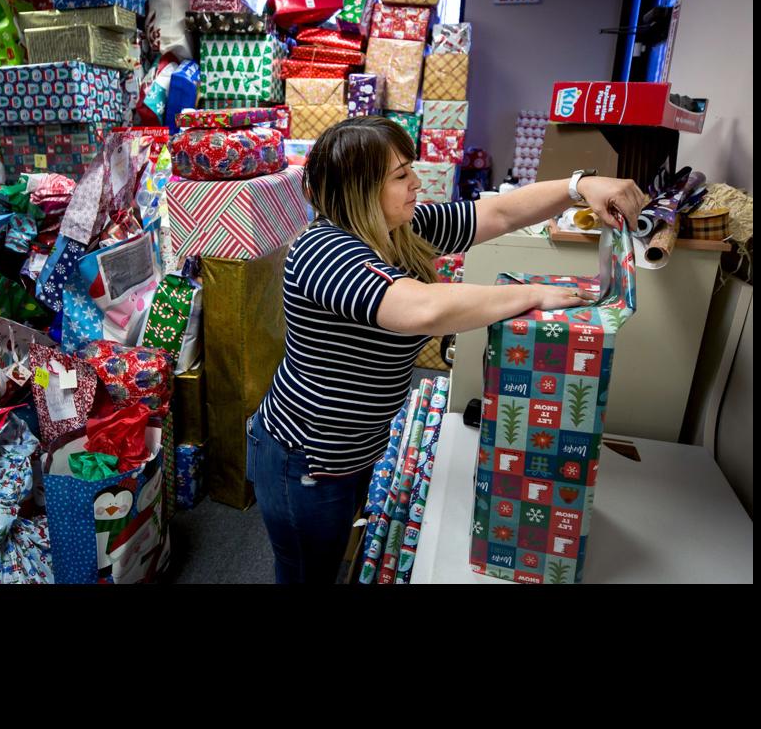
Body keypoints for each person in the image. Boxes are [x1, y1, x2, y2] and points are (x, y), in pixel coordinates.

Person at [246, 115, 647, 584]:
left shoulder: (402, 227)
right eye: (400, 176)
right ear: (359, 188)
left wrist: (582, 186)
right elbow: (420, 309)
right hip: (306, 457)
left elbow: (496, 214)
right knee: (306, 573)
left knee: (330, 560)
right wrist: (531, 294)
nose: (417, 182)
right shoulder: (323, 250)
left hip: (354, 448)